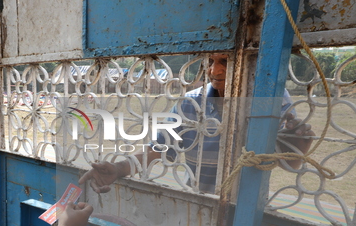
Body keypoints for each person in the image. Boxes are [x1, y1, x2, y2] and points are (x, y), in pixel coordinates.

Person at [79, 53, 315, 194]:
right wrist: (119, 169)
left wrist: (299, 146)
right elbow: (158, 150)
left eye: (226, 61)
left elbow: (288, 160)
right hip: (202, 199)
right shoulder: (192, 104)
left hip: (248, 204)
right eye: (211, 60)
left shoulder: (272, 100)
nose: (215, 70)